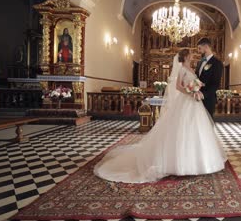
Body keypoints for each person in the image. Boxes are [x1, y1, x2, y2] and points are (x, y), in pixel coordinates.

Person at [94, 49, 227, 183]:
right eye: (191, 54)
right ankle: (179, 163)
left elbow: (195, 83)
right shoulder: (181, 69)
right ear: (186, 56)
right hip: (186, 101)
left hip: (195, 103)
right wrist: (190, 92)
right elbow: (178, 87)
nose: (193, 55)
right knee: (182, 128)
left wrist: (199, 87)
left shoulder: (192, 68)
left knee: (197, 129)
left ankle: (200, 160)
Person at [195, 38, 223, 118]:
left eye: (200, 48)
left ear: (206, 46)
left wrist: (203, 94)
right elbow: (197, 79)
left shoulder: (217, 63)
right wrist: (192, 89)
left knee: (207, 123)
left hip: (208, 99)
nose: (198, 51)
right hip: (196, 98)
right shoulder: (200, 62)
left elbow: (215, 84)